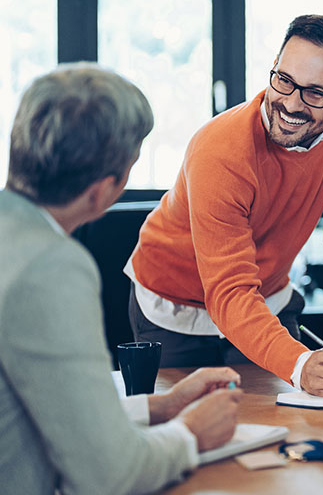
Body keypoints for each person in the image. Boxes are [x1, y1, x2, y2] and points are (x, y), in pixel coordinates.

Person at [126, 14, 323, 397]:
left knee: (289, 424)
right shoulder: (221, 149)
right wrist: (298, 365)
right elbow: (228, 290)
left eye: (315, 93)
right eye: (284, 80)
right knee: (190, 434)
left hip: (265, 298)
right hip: (174, 306)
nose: (291, 104)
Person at [0, 64, 242, 494]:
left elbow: (34, 403)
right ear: (104, 189)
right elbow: (109, 474)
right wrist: (190, 434)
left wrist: (158, 407)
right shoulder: (51, 267)